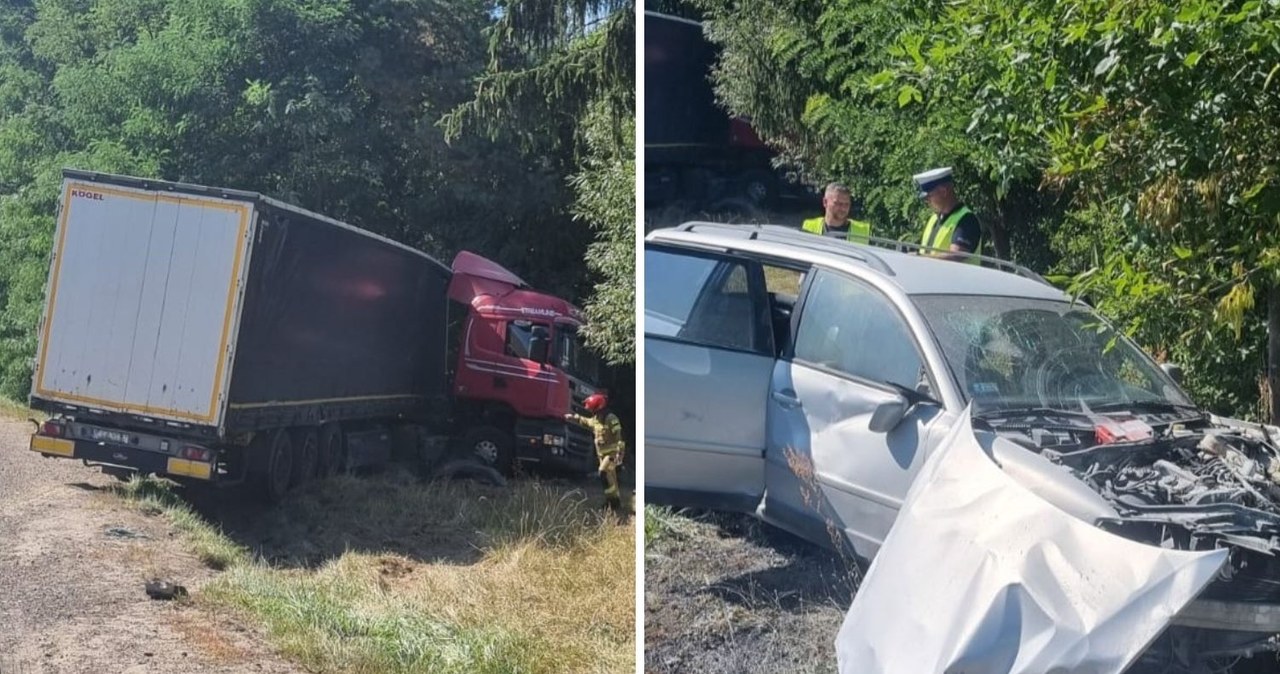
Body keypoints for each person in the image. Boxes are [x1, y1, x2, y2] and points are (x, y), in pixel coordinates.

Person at [565, 393, 626, 511]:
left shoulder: (611, 419)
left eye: (593, 410)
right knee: (611, 479)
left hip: (612, 455)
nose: (592, 412)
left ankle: (612, 502)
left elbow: (619, 437)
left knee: (603, 472)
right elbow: (586, 421)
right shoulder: (596, 419)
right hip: (601, 456)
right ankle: (614, 502)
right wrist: (573, 417)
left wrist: (620, 453)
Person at [912, 167, 984, 264]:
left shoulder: (967, 220)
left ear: (943, 192)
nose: (927, 201)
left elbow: (957, 255)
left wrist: (920, 258)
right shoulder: (934, 219)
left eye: (929, 196)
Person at [801, 183, 872, 244]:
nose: (843, 208)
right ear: (825, 202)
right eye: (838, 203)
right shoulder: (809, 227)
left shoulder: (863, 231)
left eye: (846, 204)